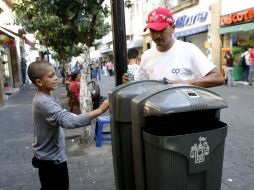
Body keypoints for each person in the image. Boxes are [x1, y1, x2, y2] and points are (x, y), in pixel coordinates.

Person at [27, 60, 109, 190]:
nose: (55, 78)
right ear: (39, 82)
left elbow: (63, 114)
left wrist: (75, 116)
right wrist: (100, 110)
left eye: (55, 74)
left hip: (50, 156)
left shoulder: (46, 94)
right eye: (51, 76)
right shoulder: (43, 101)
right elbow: (67, 121)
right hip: (51, 160)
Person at [122, 7, 224, 87]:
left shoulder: (189, 50)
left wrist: (187, 83)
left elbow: (218, 78)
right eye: (153, 31)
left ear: (173, 28)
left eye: (161, 30)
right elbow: (142, 86)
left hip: (184, 111)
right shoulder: (146, 56)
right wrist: (129, 82)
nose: (157, 36)